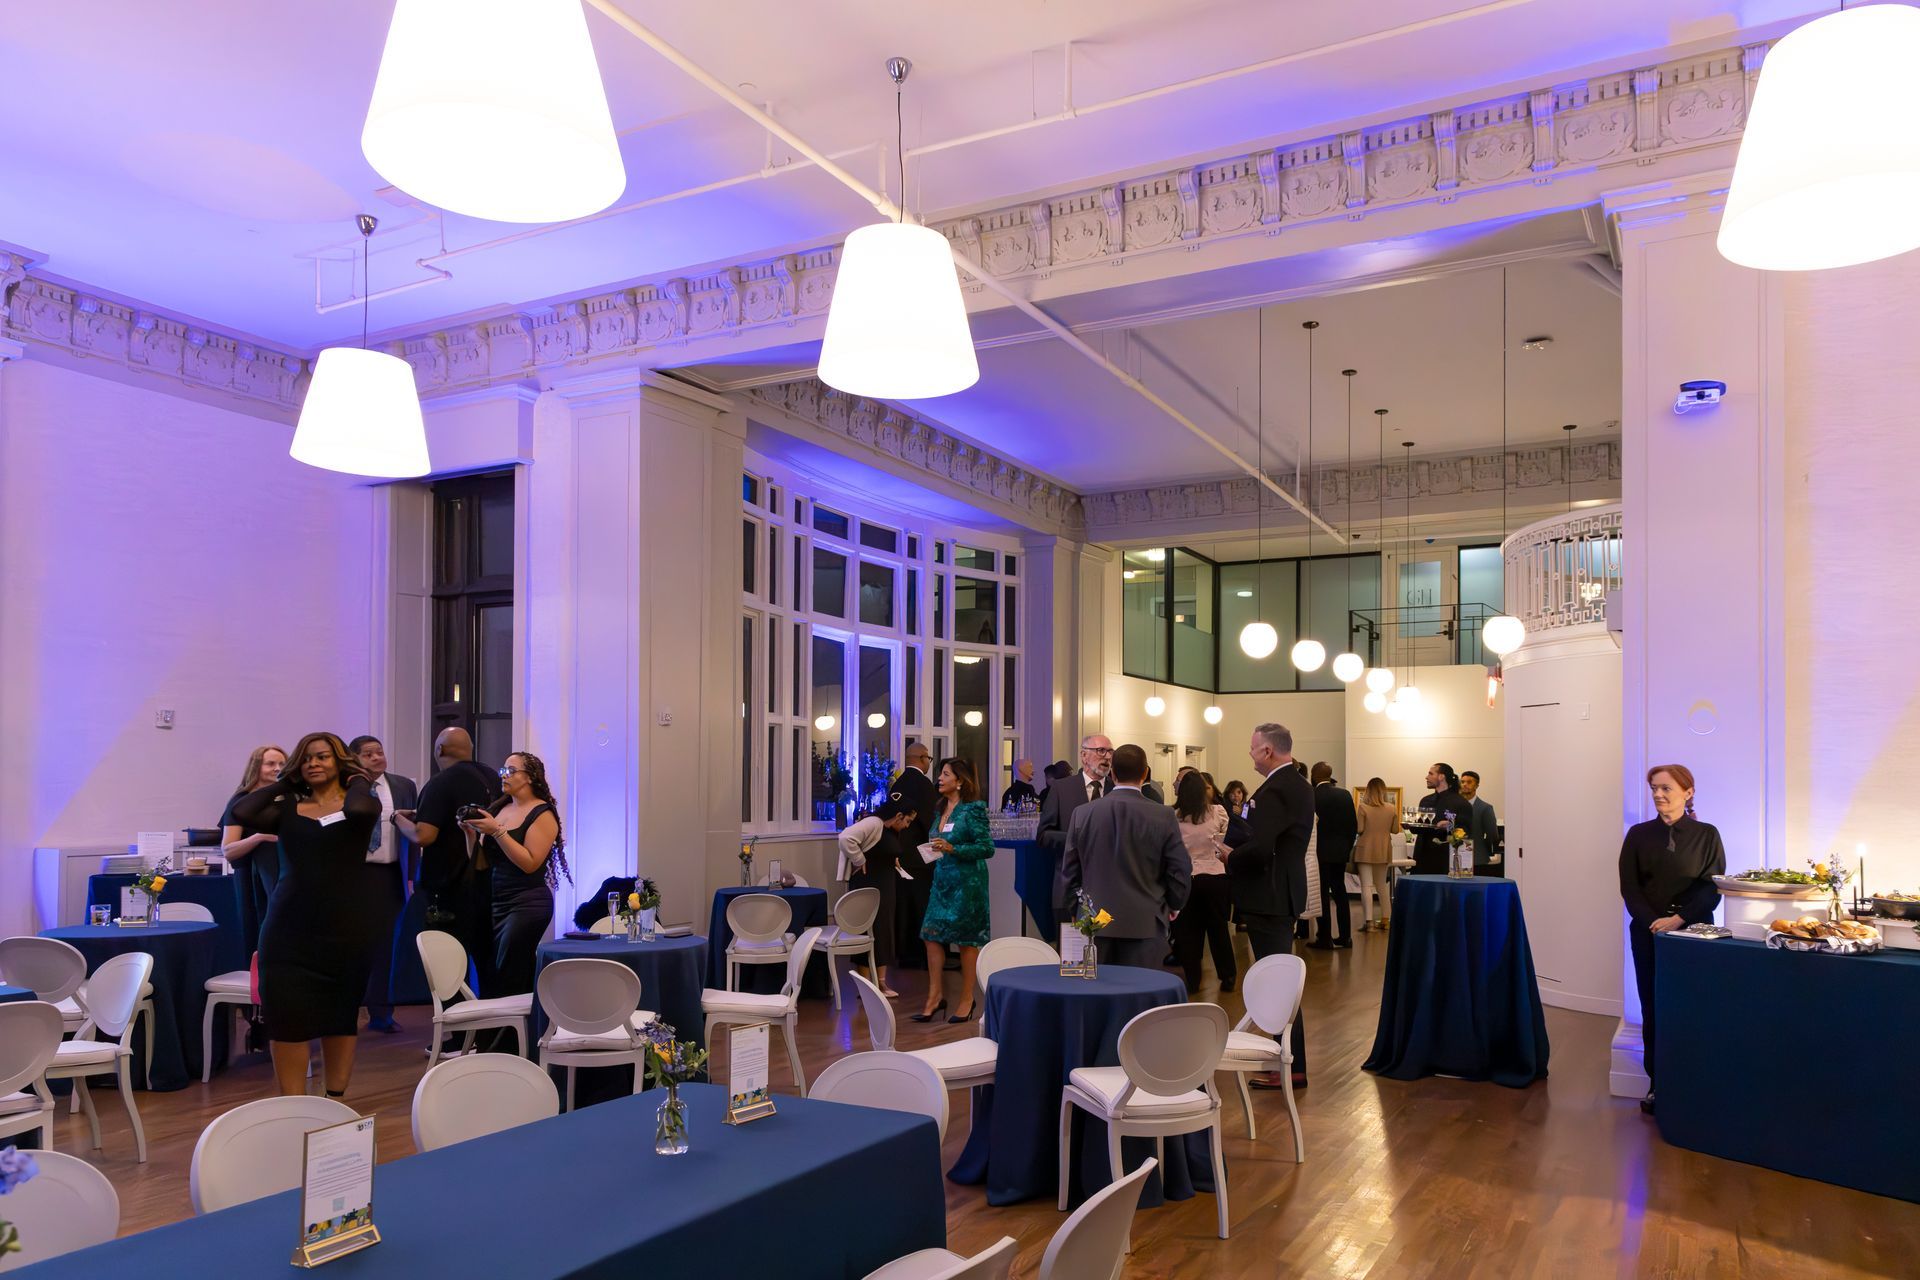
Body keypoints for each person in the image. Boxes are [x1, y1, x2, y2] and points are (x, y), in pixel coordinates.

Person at [232, 732, 380, 1098]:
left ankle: (335, 1100)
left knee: (340, 1014)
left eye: (323, 757)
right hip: (287, 932)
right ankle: (292, 1107)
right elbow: (243, 811)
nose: (314, 763)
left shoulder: (359, 805)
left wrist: (358, 774)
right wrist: (286, 780)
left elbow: (361, 809)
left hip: (346, 928)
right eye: (307, 758)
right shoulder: (285, 808)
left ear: (339, 762)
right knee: (286, 1019)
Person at [1620, 764, 1724, 1116]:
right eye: (1653, 788)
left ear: (1688, 792)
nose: (1658, 795)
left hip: (1693, 934)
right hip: (1649, 934)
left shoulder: (1707, 834)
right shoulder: (1637, 835)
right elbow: (1630, 888)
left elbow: (1713, 888)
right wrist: (1654, 923)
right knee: (1653, 1007)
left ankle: (1692, 1081)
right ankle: (1657, 1083)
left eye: (1666, 788)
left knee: (1692, 1007)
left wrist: (1679, 920)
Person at [1230, 723, 1314, 1086]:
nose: (1249, 754)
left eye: (1252, 748)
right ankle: (1288, 1064)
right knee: (1280, 979)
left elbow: (1262, 848)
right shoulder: (1298, 784)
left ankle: (1289, 1067)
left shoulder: (1275, 790)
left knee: (1279, 983)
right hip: (1282, 890)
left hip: (1270, 894)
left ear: (1267, 751)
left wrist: (1229, 856)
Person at [1062, 744, 1192, 970]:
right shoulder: (1163, 815)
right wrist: (1174, 903)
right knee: (1140, 997)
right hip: (1145, 921)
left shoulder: (1082, 813)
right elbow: (1179, 868)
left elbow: (1070, 871)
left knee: (1087, 995)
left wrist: (1076, 910)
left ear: (1112, 773)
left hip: (1091, 921)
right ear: (1145, 773)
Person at [397, 728, 500, 993]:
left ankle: (458, 1030)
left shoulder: (440, 783)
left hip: (447, 888)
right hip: (487, 883)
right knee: (487, 960)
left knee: (451, 967)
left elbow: (424, 835)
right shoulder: (492, 777)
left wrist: (397, 819)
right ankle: (494, 1027)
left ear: (439, 750)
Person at [462, 752, 568, 998]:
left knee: (509, 971)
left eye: (511, 771)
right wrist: (470, 835)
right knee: (491, 972)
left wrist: (498, 832)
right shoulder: (500, 808)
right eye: (503, 770)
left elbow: (530, 863)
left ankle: (512, 1034)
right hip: (494, 901)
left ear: (529, 777)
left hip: (526, 903)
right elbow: (480, 863)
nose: (504, 776)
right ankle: (501, 1033)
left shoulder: (542, 813)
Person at [913, 759, 994, 1023]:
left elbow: (986, 848)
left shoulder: (973, 810)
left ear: (959, 781)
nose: (939, 778)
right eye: (940, 774)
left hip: (967, 885)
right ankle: (934, 997)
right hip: (942, 882)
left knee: (967, 942)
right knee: (930, 935)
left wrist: (954, 849)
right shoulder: (940, 810)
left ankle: (967, 999)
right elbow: (939, 841)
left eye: (945, 774)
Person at [348, 735, 415, 1033]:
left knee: (388, 946)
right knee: (354, 944)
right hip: (356, 875)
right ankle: (347, 1010)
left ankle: (382, 1014)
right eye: (368, 754)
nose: (377, 757)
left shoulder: (403, 786)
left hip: (391, 874)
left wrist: (413, 874)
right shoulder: (347, 788)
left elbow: (415, 836)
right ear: (355, 759)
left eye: (380, 752)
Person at [837, 798, 916, 996]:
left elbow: (883, 849)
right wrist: (859, 859)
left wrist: (893, 859)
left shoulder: (891, 830)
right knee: (868, 930)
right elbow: (846, 837)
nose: (907, 826)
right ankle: (865, 983)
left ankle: (880, 981)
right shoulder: (874, 823)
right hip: (869, 883)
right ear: (898, 816)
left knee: (884, 930)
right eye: (907, 821)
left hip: (886, 883)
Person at [220, 744, 287, 957]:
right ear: (256, 767)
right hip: (251, 880)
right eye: (271, 764)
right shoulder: (241, 801)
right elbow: (228, 850)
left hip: (284, 876)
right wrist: (260, 838)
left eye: (282, 764)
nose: (277, 768)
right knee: (258, 936)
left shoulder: (288, 800)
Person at [1169, 770, 1233, 991]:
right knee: (1218, 929)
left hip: (1187, 878)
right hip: (1215, 876)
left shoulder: (1174, 816)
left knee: (1188, 932)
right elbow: (1226, 840)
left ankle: (1193, 980)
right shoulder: (1218, 812)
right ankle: (1228, 976)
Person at [1039, 734, 1114, 922]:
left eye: (1110, 752)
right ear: (1084, 755)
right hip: (1069, 885)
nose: (1107, 757)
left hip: (1111, 888)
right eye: (1100, 751)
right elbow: (1043, 836)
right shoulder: (1062, 789)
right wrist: (1076, 839)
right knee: (1070, 949)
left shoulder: (1117, 790)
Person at [891, 743, 939, 969]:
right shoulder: (925, 785)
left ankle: (903, 952)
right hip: (921, 855)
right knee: (921, 905)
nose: (929, 763)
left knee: (903, 906)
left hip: (899, 853)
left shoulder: (897, 783)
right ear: (922, 758)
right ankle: (920, 956)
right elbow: (928, 821)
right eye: (929, 758)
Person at [1310, 762, 1358, 950]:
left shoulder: (1313, 795)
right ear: (1330, 775)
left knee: (1321, 894)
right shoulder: (1344, 794)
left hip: (1319, 852)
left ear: (1314, 775)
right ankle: (1345, 937)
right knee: (1340, 892)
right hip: (1340, 852)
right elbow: (1352, 826)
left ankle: (1324, 937)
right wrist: (1346, 848)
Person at [1353, 777, 1402, 931]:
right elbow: (1395, 830)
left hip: (1365, 848)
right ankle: (1386, 919)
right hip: (1383, 849)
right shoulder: (1392, 808)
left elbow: (1359, 829)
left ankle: (1369, 922)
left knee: (1366, 885)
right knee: (1382, 885)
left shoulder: (1363, 807)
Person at [1413, 762, 1467, 876]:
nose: (1426, 777)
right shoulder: (1426, 800)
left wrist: (1451, 826)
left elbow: (1467, 830)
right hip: (1423, 856)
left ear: (1441, 777)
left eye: (1430, 774)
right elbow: (1419, 826)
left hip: (1445, 859)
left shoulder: (1460, 802)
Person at [1460, 770, 1502, 877]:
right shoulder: (1454, 806)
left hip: (1477, 858)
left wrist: (1483, 848)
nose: (1465, 784)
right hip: (1454, 857)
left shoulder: (1485, 808)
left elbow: (1492, 834)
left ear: (1476, 785)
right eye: (1462, 782)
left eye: (1469, 782)